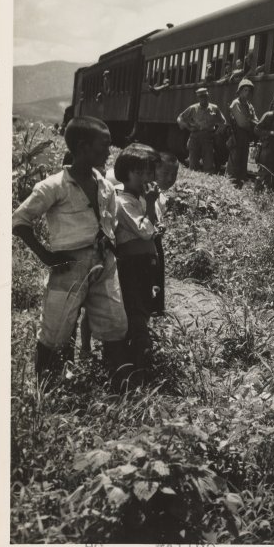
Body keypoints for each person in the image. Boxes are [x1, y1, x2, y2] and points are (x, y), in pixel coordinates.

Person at [11, 117, 132, 390]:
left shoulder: (105, 185)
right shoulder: (54, 186)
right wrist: (47, 256)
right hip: (69, 268)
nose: (109, 151)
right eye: (104, 145)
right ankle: (47, 391)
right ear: (82, 146)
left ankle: (120, 389)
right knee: (55, 330)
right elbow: (19, 221)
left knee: (115, 324)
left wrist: (109, 251)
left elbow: (109, 223)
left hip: (103, 265)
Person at [113, 144, 162, 385]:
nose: (145, 178)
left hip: (147, 264)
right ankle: (138, 367)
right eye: (139, 173)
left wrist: (152, 204)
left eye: (147, 173)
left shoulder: (141, 199)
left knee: (144, 309)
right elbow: (145, 231)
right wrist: (151, 205)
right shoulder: (123, 201)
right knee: (136, 312)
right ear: (126, 173)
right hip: (132, 265)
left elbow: (155, 225)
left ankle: (138, 363)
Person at [150, 150, 179, 316]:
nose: (170, 179)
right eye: (166, 173)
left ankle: (156, 308)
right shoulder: (142, 191)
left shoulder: (162, 197)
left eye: (174, 174)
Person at [176, 87, 226, 173]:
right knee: (193, 166)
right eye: (201, 97)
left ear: (208, 96)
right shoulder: (193, 108)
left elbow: (223, 122)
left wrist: (217, 133)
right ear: (198, 98)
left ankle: (207, 183)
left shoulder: (214, 108)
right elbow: (180, 118)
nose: (203, 98)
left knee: (209, 166)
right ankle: (193, 182)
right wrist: (187, 126)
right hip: (194, 138)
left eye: (205, 96)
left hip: (208, 139)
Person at [227, 79, 258, 188]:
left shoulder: (249, 105)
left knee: (242, 163)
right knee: (234, 163)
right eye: (245, 90)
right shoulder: (236, 103)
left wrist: (251, 122)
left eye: (249, 91)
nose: (247, 93)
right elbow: (242, 123)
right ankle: (229, 187)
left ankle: (238, 186)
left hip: (245, 138)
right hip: (236, 136)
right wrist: (251, 122)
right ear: (240, 91)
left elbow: (256, 121)